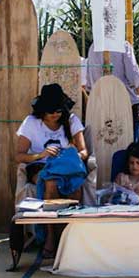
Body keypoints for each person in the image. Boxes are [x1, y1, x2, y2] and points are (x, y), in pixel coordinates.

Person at [15, 84, 89, 257]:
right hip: (41, 165)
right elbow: (19, 156)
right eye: (51, 111)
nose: (56, 114)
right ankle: (50, 235)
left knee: (75, 184)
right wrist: (40, 155)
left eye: (58, 110)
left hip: (66, 167)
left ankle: (68, 232)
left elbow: (84, 151)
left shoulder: (71, 121)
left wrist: (71, 155)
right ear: (42, 111)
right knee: (51, 183)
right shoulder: (31, 123)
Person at [84, 40, 139, 141]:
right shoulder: (123, 45)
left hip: (100, 104)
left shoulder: (93, 47)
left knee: (105, 143)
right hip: (126, 103)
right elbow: (133, 77)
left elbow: (89, 83)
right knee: (129, 144)